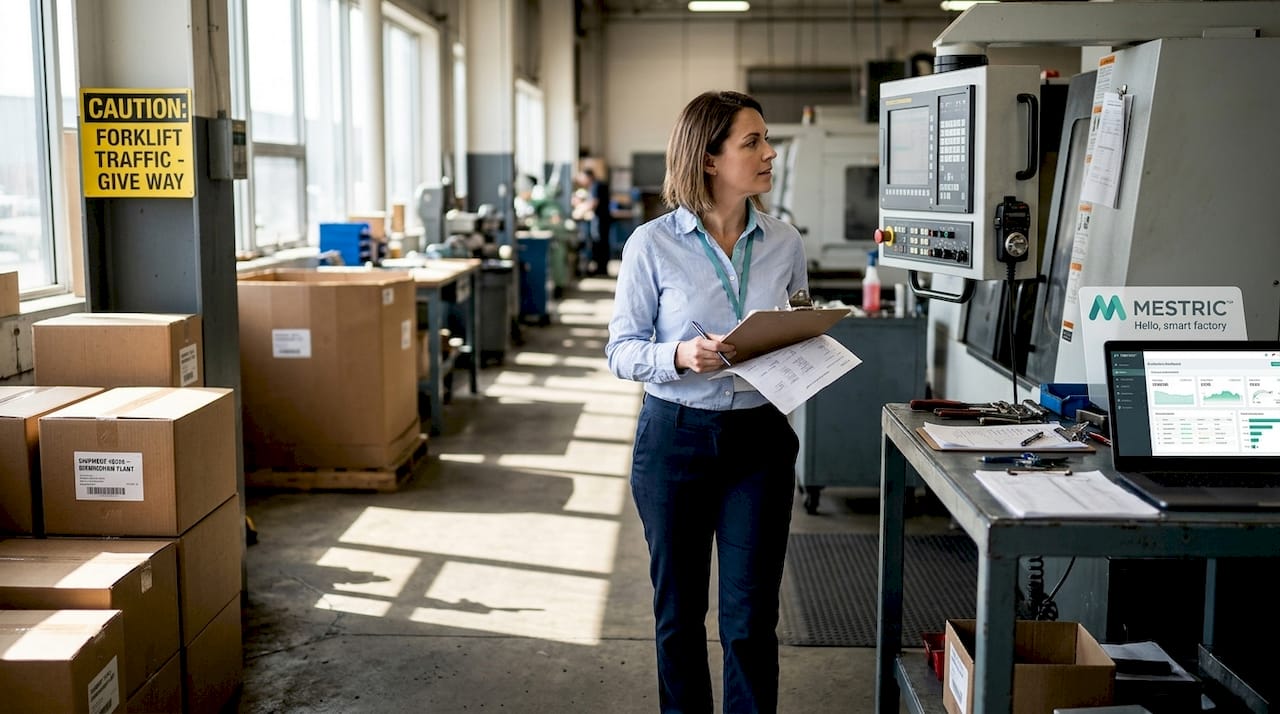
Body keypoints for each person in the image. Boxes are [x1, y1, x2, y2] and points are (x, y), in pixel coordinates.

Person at [605, 91, 808, 713]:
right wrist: (679, 357)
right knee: (679, 618)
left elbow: (795, 324)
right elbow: (621, 350)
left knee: (749, 622)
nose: (770, 152)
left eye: (765, 140)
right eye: (753, 143)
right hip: (676, 440)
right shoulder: (651, 244)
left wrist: (806, 345)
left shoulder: (785, 242)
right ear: (710, 159)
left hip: (759, 442)